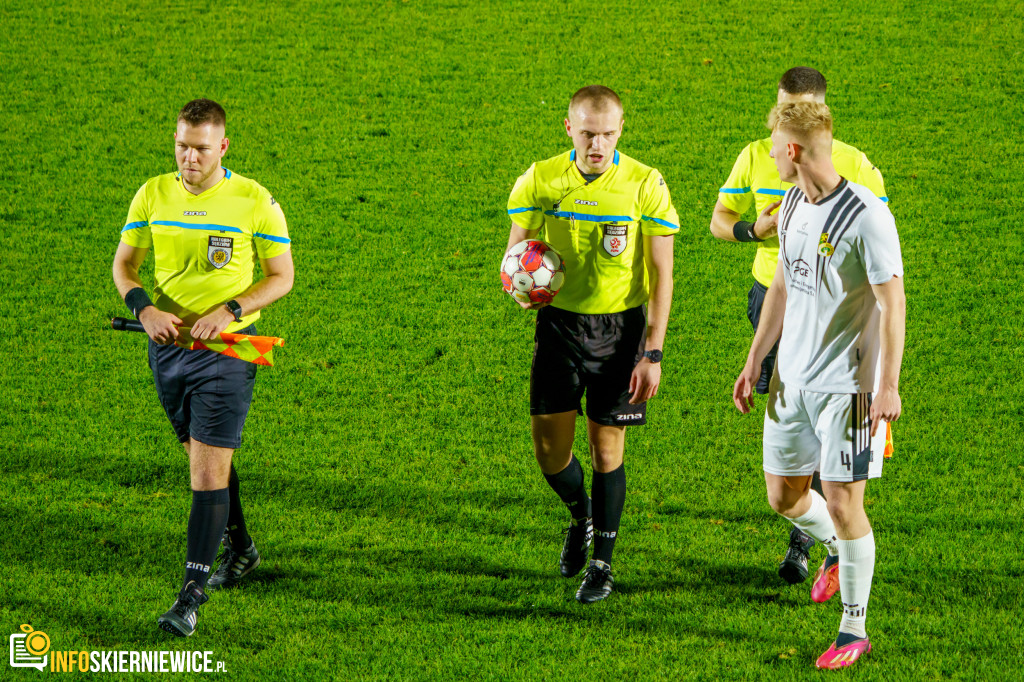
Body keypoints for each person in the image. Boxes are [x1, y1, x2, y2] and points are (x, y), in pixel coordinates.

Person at [111, 99, 294, 637]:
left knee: (206, 470)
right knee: (200, 454)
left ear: (224, 147)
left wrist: (231, 309)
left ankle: (189, 596)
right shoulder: (153, 192)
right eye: (182, 147)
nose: (190, 158)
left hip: (228, 352)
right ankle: (240, 548)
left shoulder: (253, 200)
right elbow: (125, 264)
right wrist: (143, 307)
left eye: (201, 149)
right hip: (168, 347)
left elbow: (281, 276)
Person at [732, 101, 905, 669]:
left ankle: (853, 628)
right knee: (782, 495)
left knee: (843, 499)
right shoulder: (789, 204)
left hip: (848, 389)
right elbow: (781, 284)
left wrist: (887, 386)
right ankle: (834, 549)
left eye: (776, 146)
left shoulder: (867, 217)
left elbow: (892, 301)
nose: (771, 156)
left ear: (795, 150)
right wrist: (756, 357)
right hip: (791, 380)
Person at [710, 67, 889, 585]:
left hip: (841, 333)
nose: (785, 122)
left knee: (840, 487)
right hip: (775, 308)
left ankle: (834, 581)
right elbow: (727, 226)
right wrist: (753, 230)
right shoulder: (773, 176)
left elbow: (885, 287)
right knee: (786, 471)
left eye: (798, 112)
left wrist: (884, 382)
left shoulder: (857, 178)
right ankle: (827, 535)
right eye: (783, 109)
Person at [505, 85, 677, 603]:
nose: (597, 144)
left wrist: (653, 352)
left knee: (607, 451)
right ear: (568, 128)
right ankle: (580, 515)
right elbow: (516, 253)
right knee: (550, 455)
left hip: (620, 334)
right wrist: (517, 283)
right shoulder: (541, 178)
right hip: (558, 328)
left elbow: (661, 274)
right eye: (587, 133)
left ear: (620, 130)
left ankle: (602, 563)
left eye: (607, 133)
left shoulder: (645, 184)